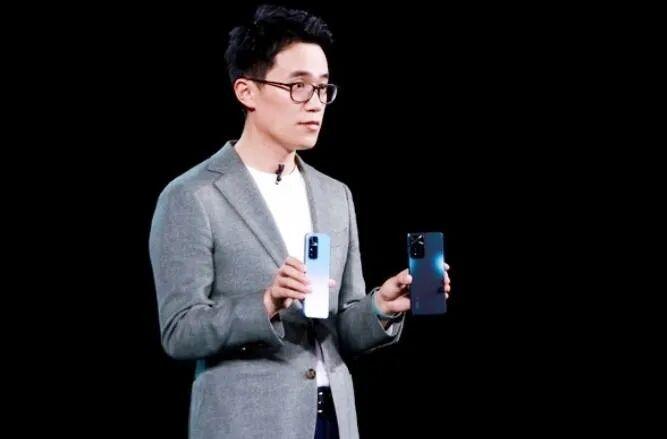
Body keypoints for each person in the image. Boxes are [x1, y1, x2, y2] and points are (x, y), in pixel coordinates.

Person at [148, 5, 450, 439]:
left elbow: (338, 329)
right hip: (247, 425)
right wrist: (267, 302)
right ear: (246, 91)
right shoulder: (192, 196)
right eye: (298, 86)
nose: (315, 104)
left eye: (323, 89)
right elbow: (180, 332)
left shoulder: (334, 194)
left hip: (334, 420)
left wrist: (381, 306)